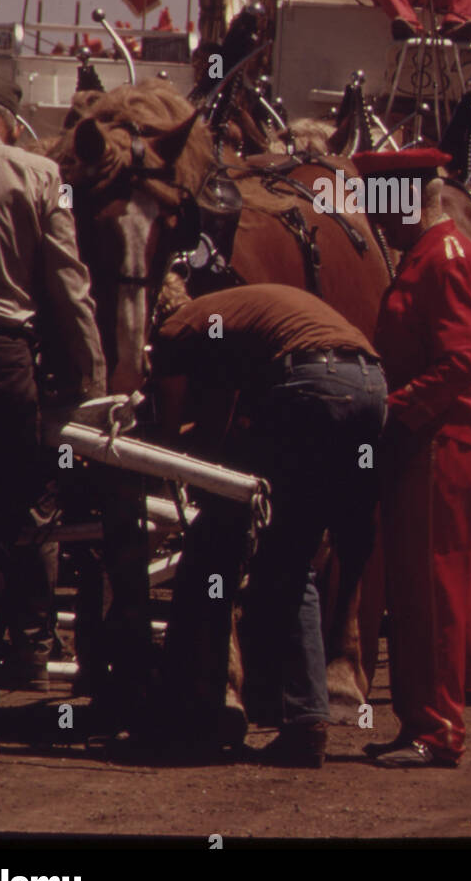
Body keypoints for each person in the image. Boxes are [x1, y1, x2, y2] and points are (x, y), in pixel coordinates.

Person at [0, 72, 107, 758]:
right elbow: (70, 289)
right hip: (3, 369)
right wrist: (92, 382)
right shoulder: (39, 175)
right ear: (12, 123)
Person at [150, 282, 387, 767]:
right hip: (370, 385)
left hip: (312, 386)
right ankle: (302, 705)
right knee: (302, 547)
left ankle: (298, 718)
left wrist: (171, 460)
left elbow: (172, 437)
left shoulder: (178, 327)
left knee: (286, 558)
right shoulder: (246, 314)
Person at [351, 147, 471, 766]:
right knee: (414, 585)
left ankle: (437, 729)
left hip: (439, 443)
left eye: (383, 209)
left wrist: (391, 408)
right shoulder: (432, 254)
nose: (377, 223)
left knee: (432, 586)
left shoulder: (446, 258)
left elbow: (461, 364)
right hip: (426, 441)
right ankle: (420, 721)